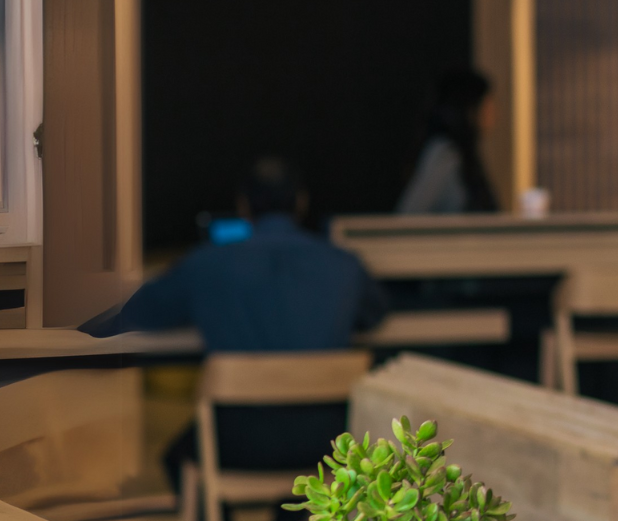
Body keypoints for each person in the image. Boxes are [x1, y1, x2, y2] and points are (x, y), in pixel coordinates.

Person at [109, 158, 388, 519]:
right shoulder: (344, 265)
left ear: (243, 206)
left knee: (178, 454)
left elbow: (139, 313)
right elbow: (376, 313)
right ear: (300, 202)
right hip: (325, 443)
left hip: (238, 441)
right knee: (307, 483)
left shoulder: (207, 264)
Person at [397, 68, 500, 214]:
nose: (493, 114)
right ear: (470, 110)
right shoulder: (444, 154)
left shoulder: (463, 154)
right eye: (488, 105)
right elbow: (409, 214)